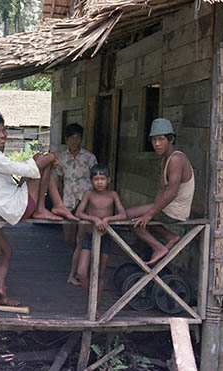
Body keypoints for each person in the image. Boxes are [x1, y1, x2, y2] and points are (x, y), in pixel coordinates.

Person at [0, 109, 79, 306]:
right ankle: (48, 207)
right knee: (42, 162)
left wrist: (39, 160)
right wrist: (50, 157)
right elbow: (25, 169)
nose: (3, 135)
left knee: (3, 253)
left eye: (3, 130)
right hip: (13, 207)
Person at [126, 118, 195, 265]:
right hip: (168, 208)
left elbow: (171, 193)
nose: (156, 144)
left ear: (171, 140)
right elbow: (161, 190)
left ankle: (159, 248)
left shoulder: (176, 159)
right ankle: (169, 237)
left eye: (161, 139)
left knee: (130, 218)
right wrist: (151, 212)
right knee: (135, 220)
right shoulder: (165, 159)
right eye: (153, 140)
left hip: (175, 211)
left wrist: (149, 214)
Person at [75, 164, 126, 308]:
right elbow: (79, 213)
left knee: (100, 273)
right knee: (82, 272)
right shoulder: (89, 194)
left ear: (108, 180)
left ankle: (95, 306)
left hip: (105, 237)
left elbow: (123, 214)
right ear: (91, 181)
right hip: (90, 236)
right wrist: (95, 219)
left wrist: (107, 219)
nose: (99, 182)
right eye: (96, 179)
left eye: (102, 179)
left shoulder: (113, 195)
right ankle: (90, 300)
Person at [55, 123, 97, 286]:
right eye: (72, 138)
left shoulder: (89, 157)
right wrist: (58, 202)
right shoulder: (61, 158)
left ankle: (78, 270)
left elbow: (96, 179)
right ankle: (79, 261)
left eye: (78, 138)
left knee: (81, 238)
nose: (75, 141)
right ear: (66, 139)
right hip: (67, 202)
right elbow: (59, 180)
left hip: (85, 202)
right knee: (69, 238)